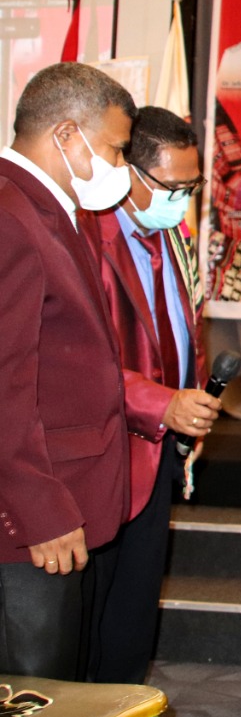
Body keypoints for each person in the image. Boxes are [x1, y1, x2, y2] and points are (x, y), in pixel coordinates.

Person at [78, 109, 218, 717]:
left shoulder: (170, 236)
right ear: (129, 172)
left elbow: (182, 326)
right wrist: (163, 402)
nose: (182, 201)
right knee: (89, 617)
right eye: (173, 187)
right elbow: (84, 359)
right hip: (101, 453)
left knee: (137, 610)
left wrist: (188, 402)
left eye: (191, 188)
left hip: (157, 449)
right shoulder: (88, 238)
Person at [0, 62, 134, 679]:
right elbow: (6, 384)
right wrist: (39, 509)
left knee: (62, 695)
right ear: (65, 135)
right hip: (31, 521)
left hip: (66, 497)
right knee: (33, 711)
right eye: (114, 148)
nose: (121, 167)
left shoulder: (53, 210)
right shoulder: (10, 217)